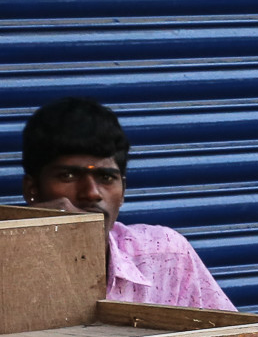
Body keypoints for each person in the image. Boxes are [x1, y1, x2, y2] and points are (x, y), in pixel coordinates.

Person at [20, 96, 234, 310]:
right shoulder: (10, 268)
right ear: (32, 190)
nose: (92, 193)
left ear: (122, 192)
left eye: (106, 178)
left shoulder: (167, 256)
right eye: (68, 176)